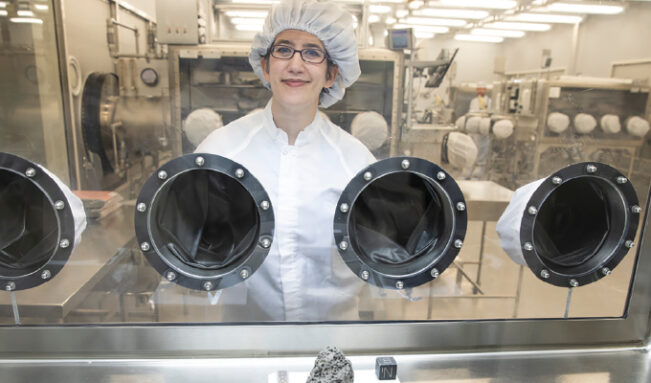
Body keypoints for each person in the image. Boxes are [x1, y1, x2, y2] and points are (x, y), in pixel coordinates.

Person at [195, 0, 375, 322]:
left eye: (312, 52)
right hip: (247, 342)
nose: (295, 65)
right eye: (284, 49)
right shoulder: (221, 152)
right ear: (265, 66)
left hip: (334, 340)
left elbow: (381, 255)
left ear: (332, 73)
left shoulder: (355, 162)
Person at [467, 83, 491, 178]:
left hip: (483, 128)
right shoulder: (473, 101)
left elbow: (489, 113)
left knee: (482, 149)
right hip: (473, 128)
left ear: (485, 90)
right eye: (479, 89)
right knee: (472, 148)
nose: (480, 91)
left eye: (482, 89)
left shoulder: (489, 101)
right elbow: (471, 111)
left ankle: (478, 172)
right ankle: (469, 169)